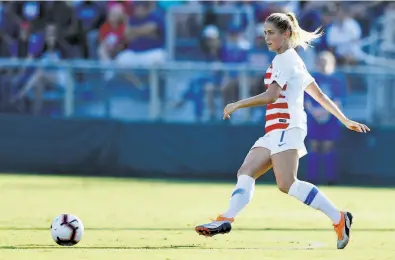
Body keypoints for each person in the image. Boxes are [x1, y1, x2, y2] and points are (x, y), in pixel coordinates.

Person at [194, 12, 370, 250]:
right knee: (246, 171)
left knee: (287, 184)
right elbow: (318, 94)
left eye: (271, 33)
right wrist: (344, 119)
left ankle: (339, 217)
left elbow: (272, 95)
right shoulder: (293, 59)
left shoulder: (285, 59)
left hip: (287, 126)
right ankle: (225, 219)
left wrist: (237, 103)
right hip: (275, 129)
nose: (266, 37)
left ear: (286, 34)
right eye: (265, 33)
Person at [305, 51, 346, 185]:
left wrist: (327, 112)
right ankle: (312, 179)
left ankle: (331, 179)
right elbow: (307, 99)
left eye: (325, 62)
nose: (323, 65)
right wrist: (314, 112)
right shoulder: (312, 78)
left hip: (331, 119)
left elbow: (339, 100)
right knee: (314, 146)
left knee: (328, 146)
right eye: (320, 62)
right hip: (313, 118)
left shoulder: (337, 80)